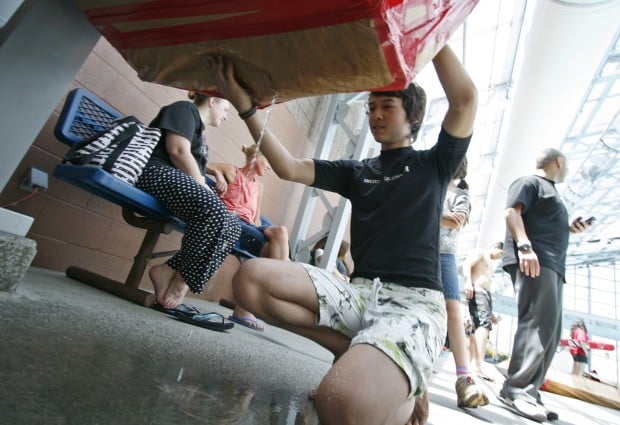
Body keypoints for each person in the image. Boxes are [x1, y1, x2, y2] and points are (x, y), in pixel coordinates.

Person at [210, 41, 477, 425]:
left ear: (413, 116)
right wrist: (245, 106)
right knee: (250, 280)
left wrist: (431, 34)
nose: (376, 115)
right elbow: (288, 167)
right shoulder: (358, 171)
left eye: (387, 106)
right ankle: (369, 356)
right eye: (371, 108)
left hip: (415, 304)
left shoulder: (434, 164)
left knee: (338, 403)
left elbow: (465, 100)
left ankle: (400, 384)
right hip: (358, 292)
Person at [499, 148, 592, 422]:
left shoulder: (551, 192)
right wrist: (525, 247)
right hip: (534, 259)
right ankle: (516, 390)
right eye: (567, 166)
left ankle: (529, 390)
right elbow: (510, 213)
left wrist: (568, 228)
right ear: (559, 162)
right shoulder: (530, 182)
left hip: (551, 264)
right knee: (537, 324)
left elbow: (543, 224)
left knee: (550, 331)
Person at [137, 91, 241, 309]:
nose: (227, 116)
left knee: (232, 226)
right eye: (226, 109)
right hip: (155, 173)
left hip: (175, 183)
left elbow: (191, 158)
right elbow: (177, 149)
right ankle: (178, 284)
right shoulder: (185, 109)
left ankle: (173, 274)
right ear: (212, 101)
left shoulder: (199, 130)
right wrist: (202, 184)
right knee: (214, 210)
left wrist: (211, 173)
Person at [208, 144, 290, 330]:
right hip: (232, 221)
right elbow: (204, 164)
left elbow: (256, 217)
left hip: (250, 227)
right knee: (271, 251)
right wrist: (218, 175)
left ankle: (282, 283)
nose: (269, 167)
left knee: (281, 232)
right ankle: (247, 306)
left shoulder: (259, 187)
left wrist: (263, 230)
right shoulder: (232, 171)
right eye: (267, 161)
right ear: (255, 157)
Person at [439, 158, 489, 408]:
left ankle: (464, 378)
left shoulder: (460, 194)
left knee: (453, 311)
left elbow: (455, 220)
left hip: (443, 254)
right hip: (415, 250)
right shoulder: (430, 184)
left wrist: (422, 207)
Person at [462, 241, 504, 382]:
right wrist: (468, 282)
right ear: (495, 247)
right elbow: (467, 264)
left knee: (476, 328)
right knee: (484, 326)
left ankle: (472, 364)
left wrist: (490, 312)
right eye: (501, 253)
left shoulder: (491, 264)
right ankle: (478, 364)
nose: (500, 256)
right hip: (477, 290)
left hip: (484, 294)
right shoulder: (481, 253)